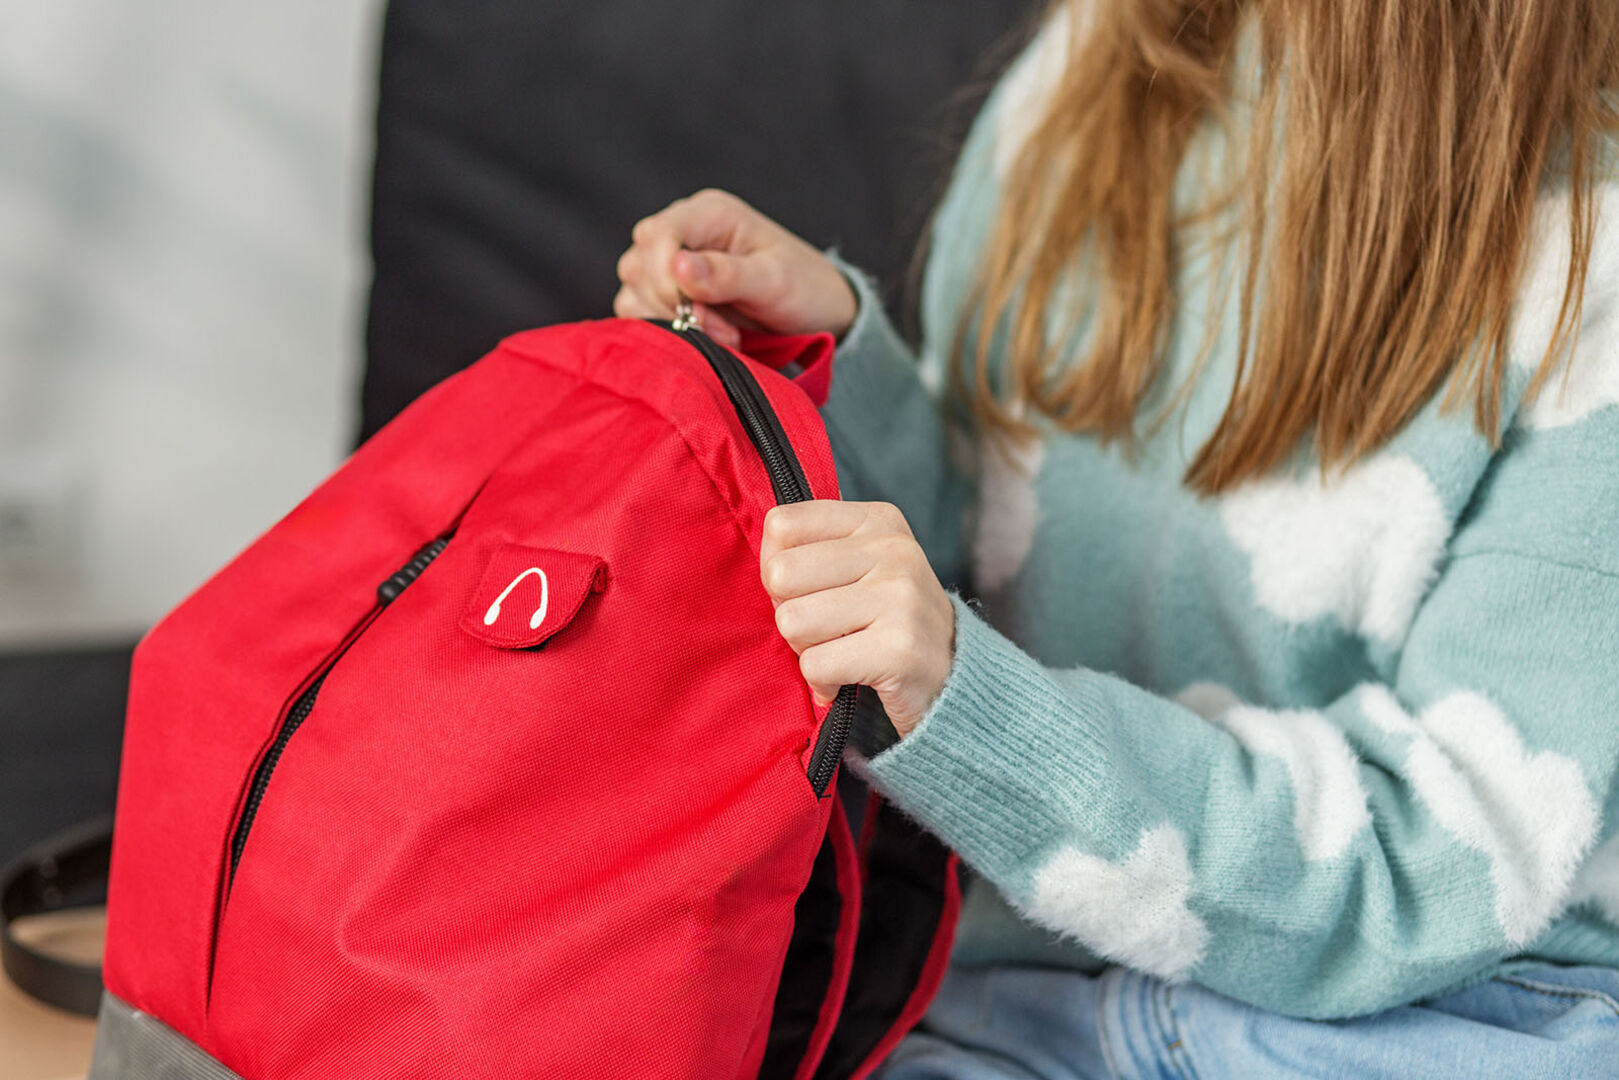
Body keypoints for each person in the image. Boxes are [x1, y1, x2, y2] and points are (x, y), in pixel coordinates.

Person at [613, 2, 1619, 1076]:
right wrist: (827, 375)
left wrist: (982, 711)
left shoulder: (1587, 270)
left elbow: (1438, 872)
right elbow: (990, 559)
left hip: (1436, 1017)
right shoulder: (1085, 77)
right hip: (1015, 989)